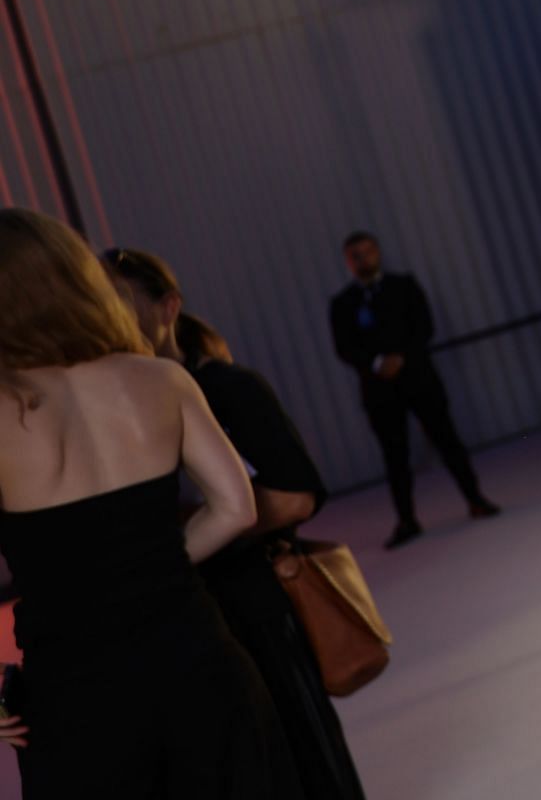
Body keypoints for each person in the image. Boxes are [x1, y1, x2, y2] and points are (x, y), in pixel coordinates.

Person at [0, 208, 296, 797]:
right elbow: (238, 508)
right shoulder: (161, 378)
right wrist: (152, 569)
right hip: (199, 658)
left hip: (76, 688)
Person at [105, 249, 367, 800]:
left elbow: (294, 497)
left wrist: (198, 532)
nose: (112, 319)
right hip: (186, 614)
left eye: (124, 303)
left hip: (254, 600)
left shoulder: (227, 388)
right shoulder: (119, 405)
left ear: (168, 306)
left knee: (303, 751)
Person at [327, 232, 498, 549]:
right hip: (379, 390)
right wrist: (377, 362)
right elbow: (344, 348)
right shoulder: (343, 304)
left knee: (447, 440)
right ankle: (407, 520)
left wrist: (400, 356)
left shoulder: (403, 286)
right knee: (395, 456)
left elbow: (424, 327)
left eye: (368, 252)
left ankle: (475, 499)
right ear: (348, 261)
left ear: (378, 252)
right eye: (356, 255)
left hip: (418, 379)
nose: (363, 259)